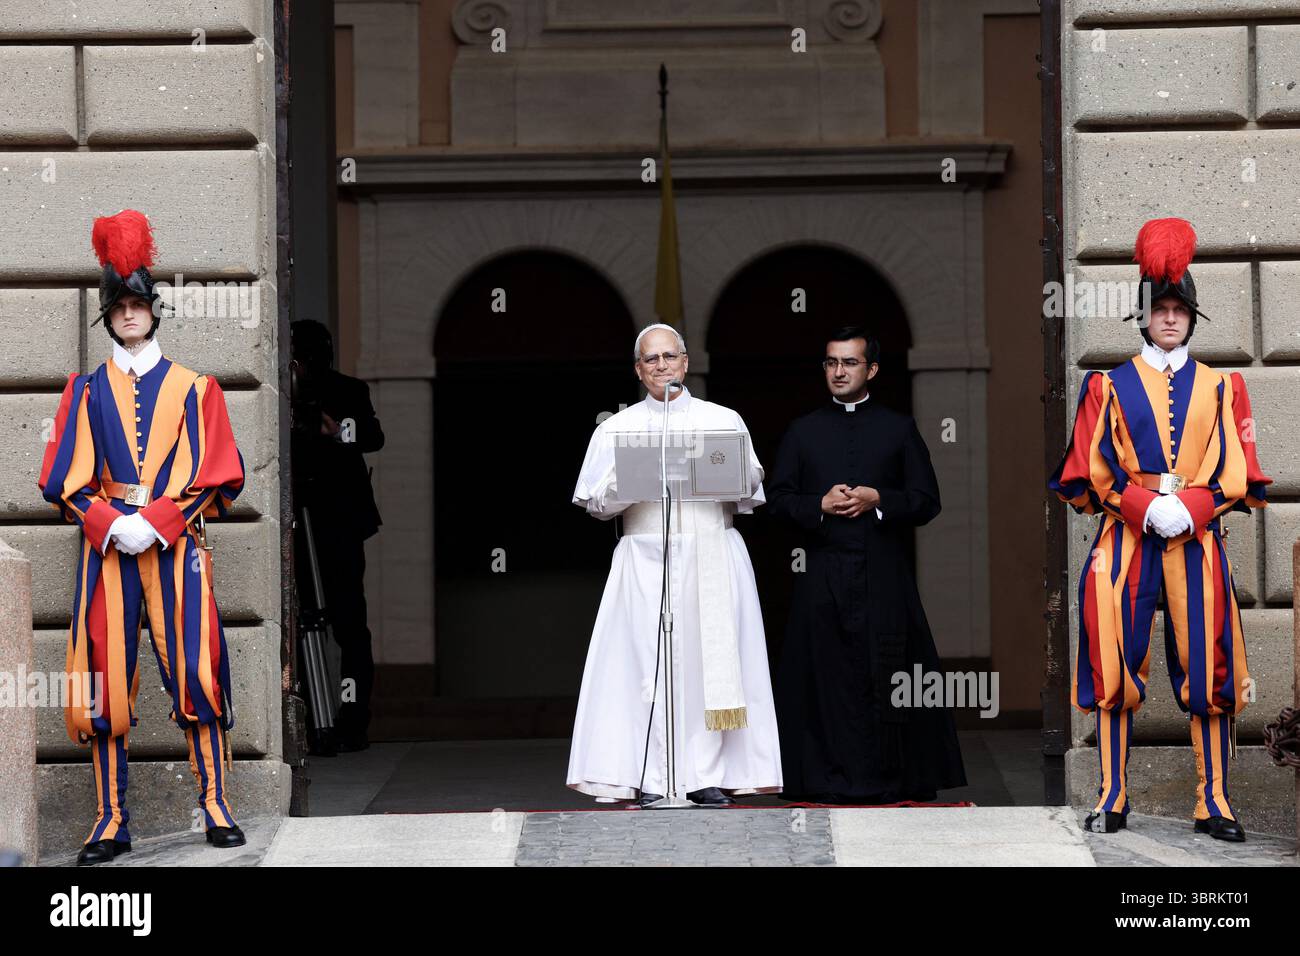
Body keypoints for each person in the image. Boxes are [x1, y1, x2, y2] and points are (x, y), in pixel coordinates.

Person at [1050, 217, 1271, 841]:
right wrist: (1141, 504)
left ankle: (1215, 803)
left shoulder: (1224, 386)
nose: (1170, 318)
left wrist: (1194, 508)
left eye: (1180, 309)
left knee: (1209, 671)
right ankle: (1112, 795)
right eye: (1160, 308)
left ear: (1192, 317)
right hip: (1124, 541)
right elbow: (1091, 469)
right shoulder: (1107, 385)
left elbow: (1236, 467)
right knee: (1114, 668)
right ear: (1143, 315)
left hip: (1197, 544)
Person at [37, 209, 247, 864]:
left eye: (138, 303)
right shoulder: (84, 390)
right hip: (107, 554)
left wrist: (153, 523)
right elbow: (64, 482)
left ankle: (215, 804)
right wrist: (111, 524)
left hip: (177, 545)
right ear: (108, 315)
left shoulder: (196, 389)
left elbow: (217, 476)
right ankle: (109, 820)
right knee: (104, 681)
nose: (129, 314)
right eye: (119, 306)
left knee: (197, 671)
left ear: (154, 309)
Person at [567, 323, 783, 806]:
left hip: (712, 555)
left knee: (706, 668)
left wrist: (718, 472)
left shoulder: (723, 419)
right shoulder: (615, 428)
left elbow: (752, 492)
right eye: (651, 359)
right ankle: (650, 776)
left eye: (670, 357)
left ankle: (704, 777)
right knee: (647, 669)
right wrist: (632, 481)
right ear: (638, 370)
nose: (661, 366)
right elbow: (595, 503)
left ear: (686, 362)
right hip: (644, 560)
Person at [768, 326, 966, 804]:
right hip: (822, 578)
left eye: (849, 363)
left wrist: (881, 500)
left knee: (889, 675)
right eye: (831, 363)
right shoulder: (803, 430)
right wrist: (818, 503)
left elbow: (926, 501)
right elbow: (775, 502)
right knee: (825, 679)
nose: (838, 371)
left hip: (883, 577)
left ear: (871, 369)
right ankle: (825, 779)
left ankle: (891, 780)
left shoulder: (898, 428)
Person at [290, 319, 384, 752]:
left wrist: (337, 430)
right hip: (297, 517)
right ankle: (311, 720)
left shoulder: (349, 390)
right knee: (301, 621)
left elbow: (373, 437)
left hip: (339, 519)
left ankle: (351, 718)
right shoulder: (280, 391)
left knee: (349, 623)